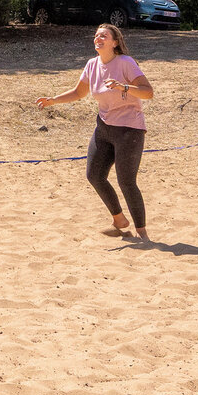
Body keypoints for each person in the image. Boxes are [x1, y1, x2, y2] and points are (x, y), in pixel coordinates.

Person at [36, 23, 154, 241]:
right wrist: (53, 101)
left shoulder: (125, 63)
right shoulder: (92, 64)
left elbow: (148, 93)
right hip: (104, 127)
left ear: (115, 42)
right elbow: (78, 92)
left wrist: (123, 87)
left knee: (126, 182)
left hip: (129, 130)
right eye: (96, 35)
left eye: (104, 36)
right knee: (94, 175)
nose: (98, 38)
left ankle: (142, 233)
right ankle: (119, 220)